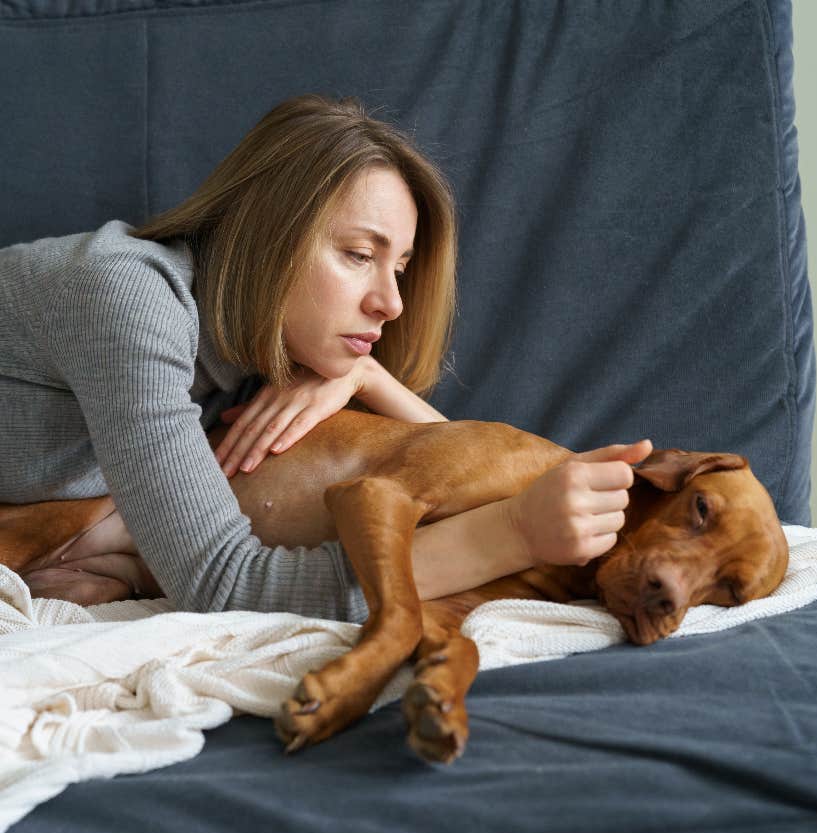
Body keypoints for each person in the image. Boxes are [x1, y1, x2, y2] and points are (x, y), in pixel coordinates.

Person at [0, 95, 651, 622]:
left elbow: (458, 465)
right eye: (359, 255)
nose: (391, 303)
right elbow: (226, 586)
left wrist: (368, 378)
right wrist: (512, 534)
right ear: (263, 233)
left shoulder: (255, 357)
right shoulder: (131, 301)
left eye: (399, 267)